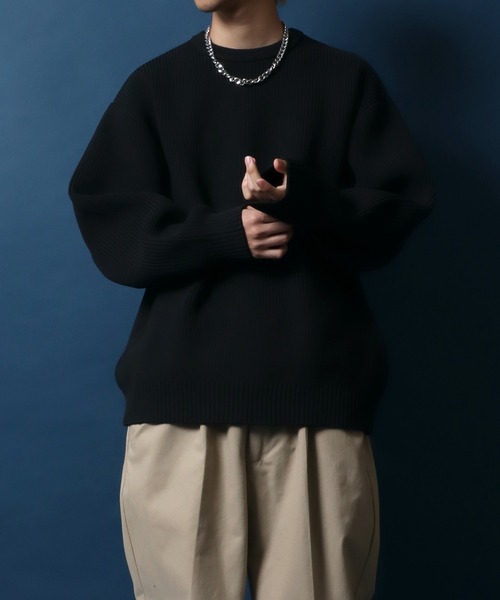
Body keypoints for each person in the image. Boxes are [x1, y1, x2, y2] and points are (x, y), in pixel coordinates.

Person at [69, 0, 435, 598]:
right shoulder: (155, 85)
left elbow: (395, 214)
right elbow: (112, 229)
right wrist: (223, 233)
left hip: (317, 404)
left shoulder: (344, 79)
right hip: (180, 407)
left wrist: (304, 202)